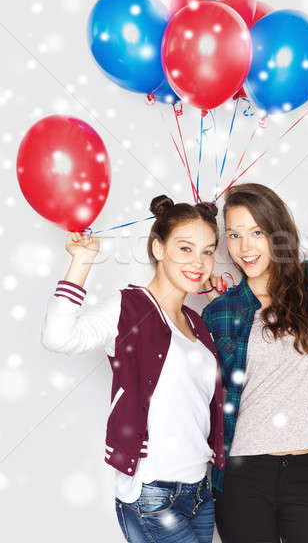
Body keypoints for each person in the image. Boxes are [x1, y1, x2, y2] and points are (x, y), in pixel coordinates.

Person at [201, 68, 308, 543]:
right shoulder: (221, 312)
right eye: (233, 234)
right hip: (243, 475)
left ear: (277, 233)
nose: (244, 245)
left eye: (255, 232)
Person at [41, 197, 225, 543]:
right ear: (158, 248)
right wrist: (82, 261)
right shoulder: (130, 307)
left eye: (207, 251)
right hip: (153, 494)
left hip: (200, 492)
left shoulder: (197, 324)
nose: (198, 263)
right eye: (185, 248)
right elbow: (58, 337)